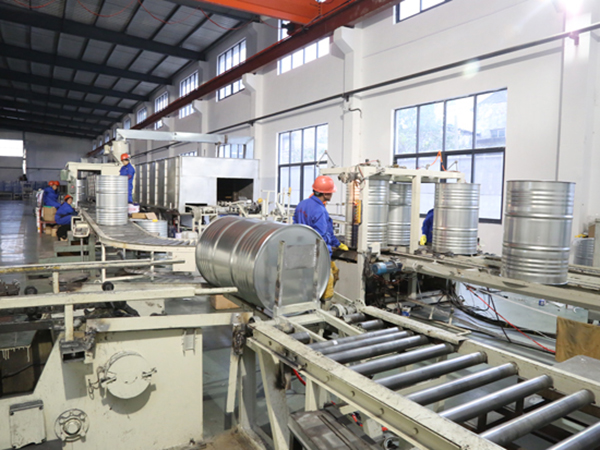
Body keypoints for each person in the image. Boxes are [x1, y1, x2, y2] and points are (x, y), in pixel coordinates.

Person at [293, 175, 348, 300]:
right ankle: (323, 308)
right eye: (331, 192)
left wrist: (337, 243)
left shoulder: (302, 204)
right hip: (318, 254)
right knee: (326, 288)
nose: (332, 194)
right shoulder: (319, 210)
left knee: (306, 283)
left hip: (302, 252)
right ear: (325, 193)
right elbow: (321, 235)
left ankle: (305, 302)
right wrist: (334, 243)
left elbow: (295, 225)